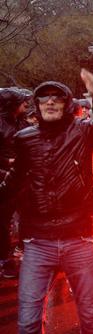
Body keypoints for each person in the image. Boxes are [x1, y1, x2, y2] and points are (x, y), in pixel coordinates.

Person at [0, 70, 93, 334]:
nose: (49, 102)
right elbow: (14, 183)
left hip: (79, 237)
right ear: (36, 104)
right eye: (43, 98)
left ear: (68, 104)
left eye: (56, 98)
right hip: (37, 241)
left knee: (89, 313)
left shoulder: (85, 132)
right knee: (29, 321)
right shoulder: (24, 139)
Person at [0, 87, 30, 279]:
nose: (25, 104)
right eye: (22, 102)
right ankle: (5, 260)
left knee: (27, 217)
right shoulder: (2, 125)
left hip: (24, 178)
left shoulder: (21, 122)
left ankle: (24, 253)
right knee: (3, 221)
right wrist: (8, 163)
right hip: (4, 178)